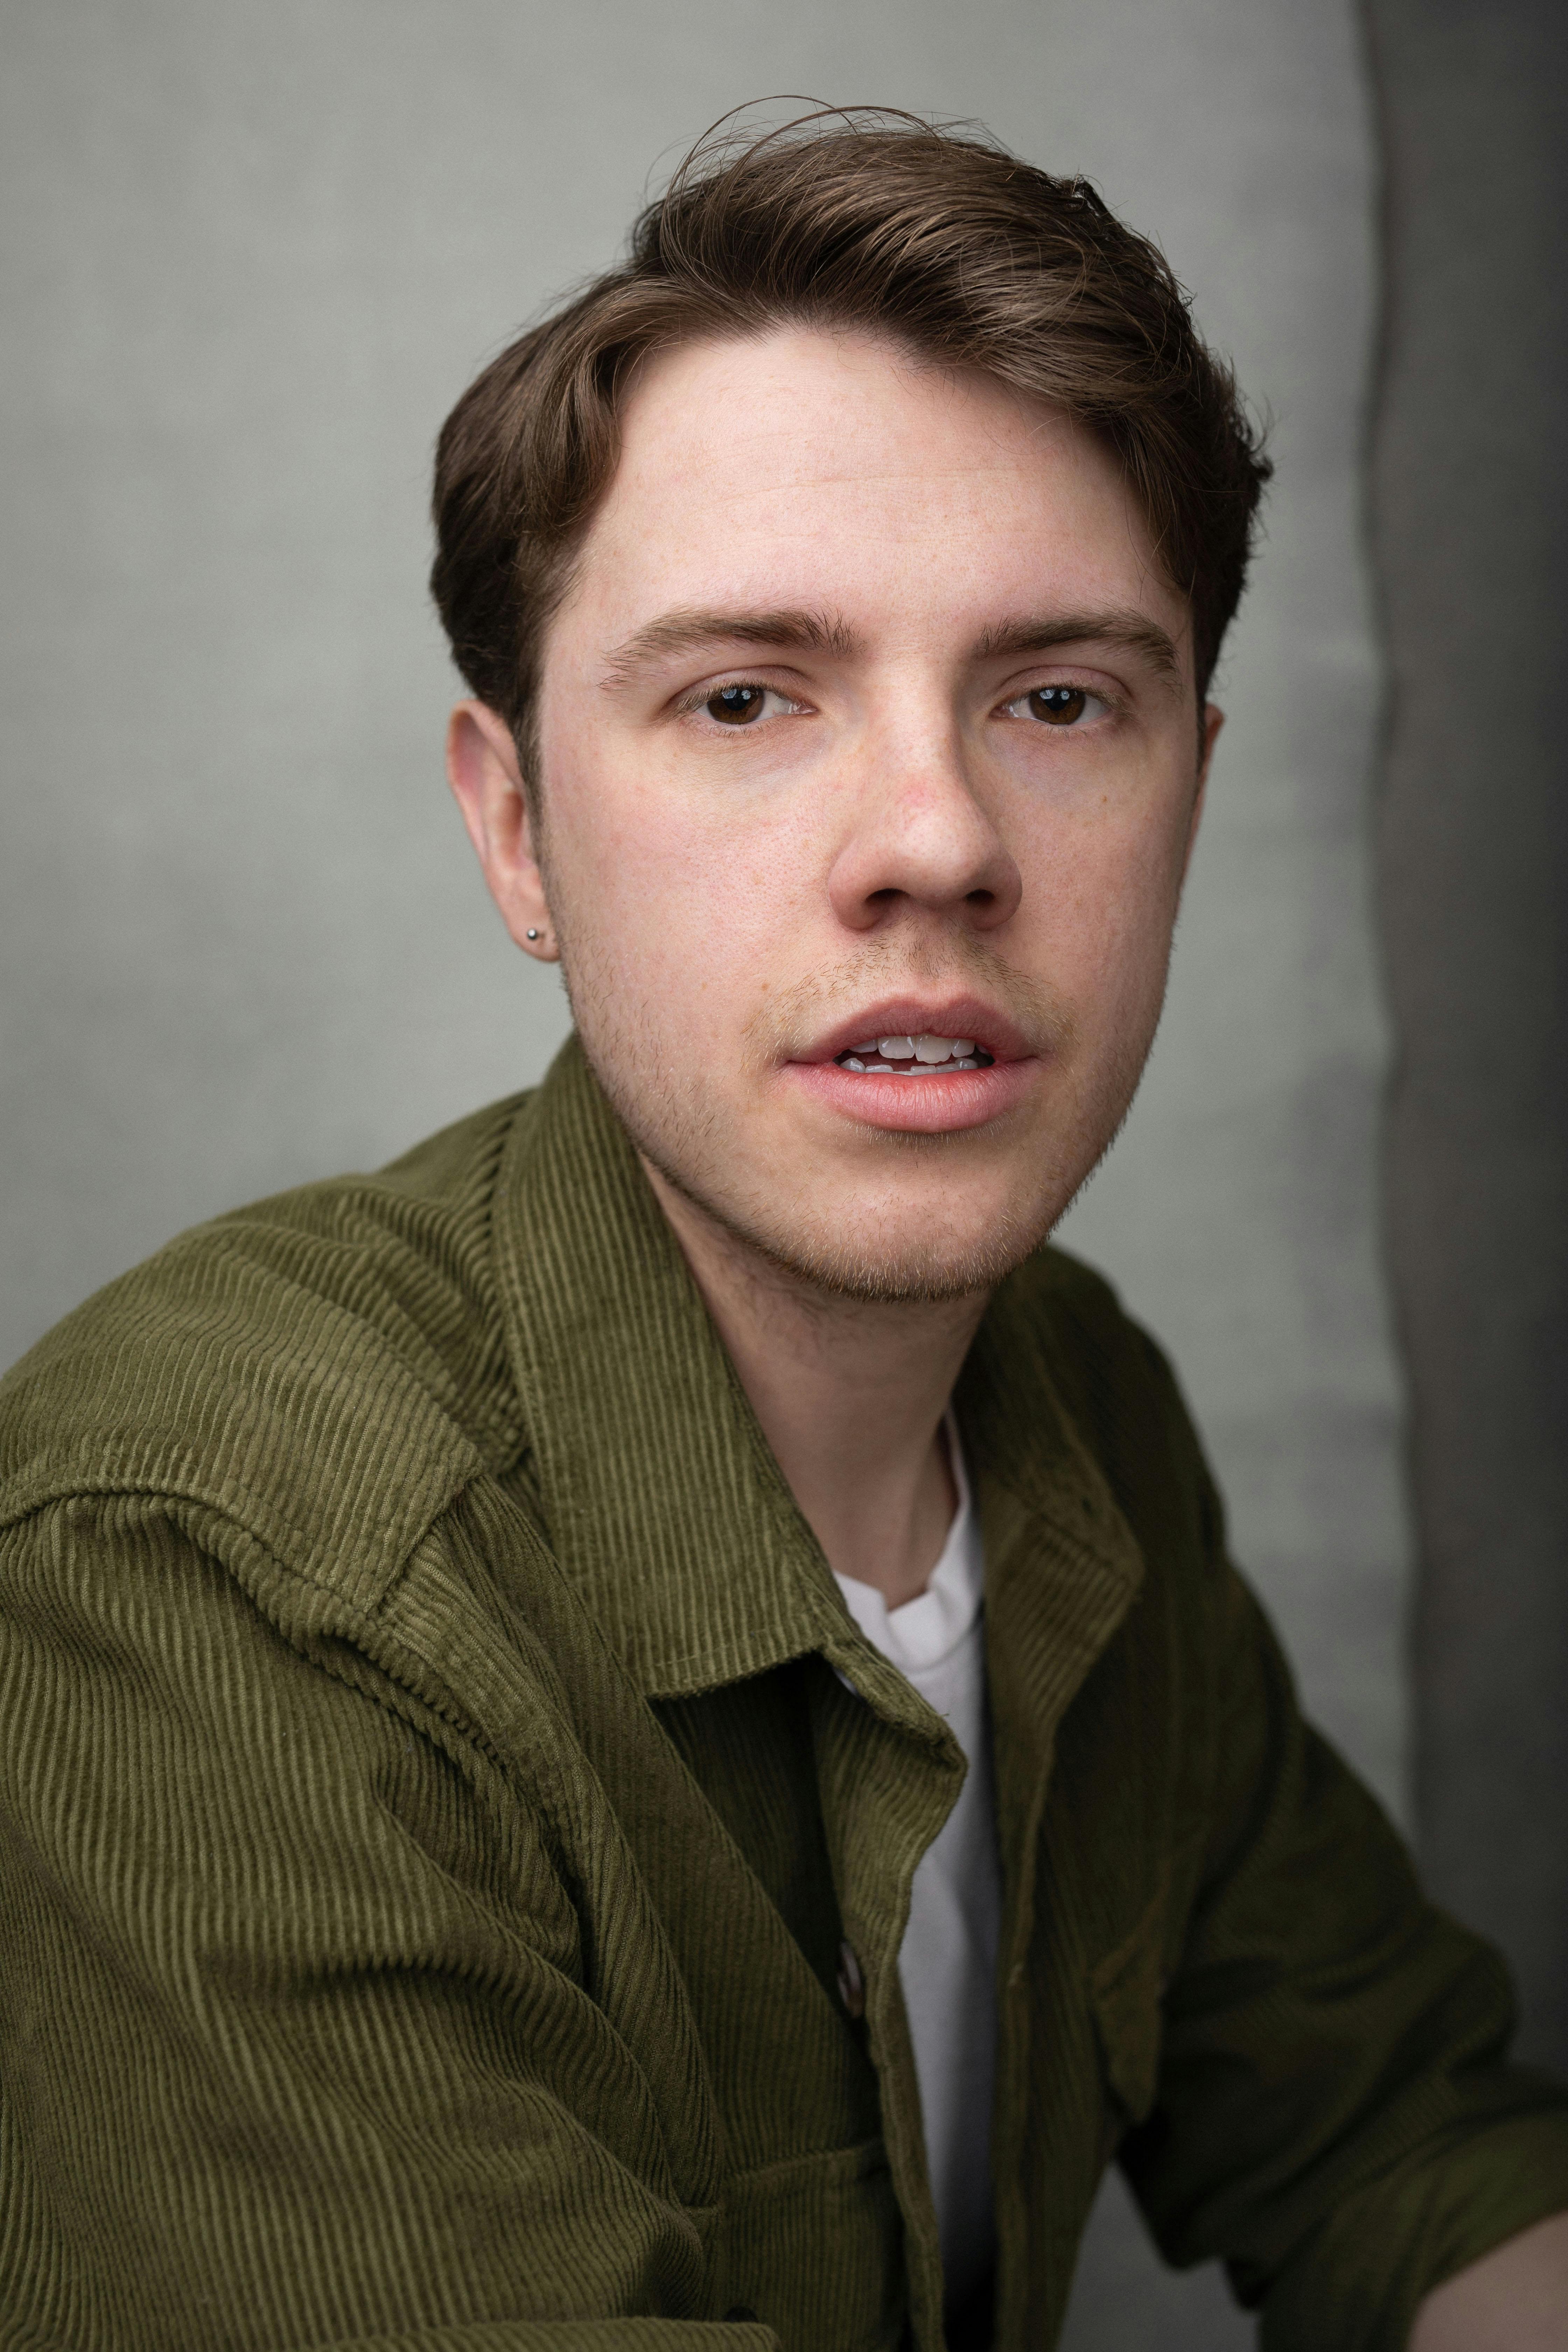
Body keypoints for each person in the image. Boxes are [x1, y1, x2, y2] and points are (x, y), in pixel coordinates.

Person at [0, 110, 1564, 2352]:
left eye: (1059, 700)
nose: (935, 838)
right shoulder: (207, 1576)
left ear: (1193, 799)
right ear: (518, 831)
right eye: (744, 697)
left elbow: (1402, 2150)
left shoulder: (1079, 1405)